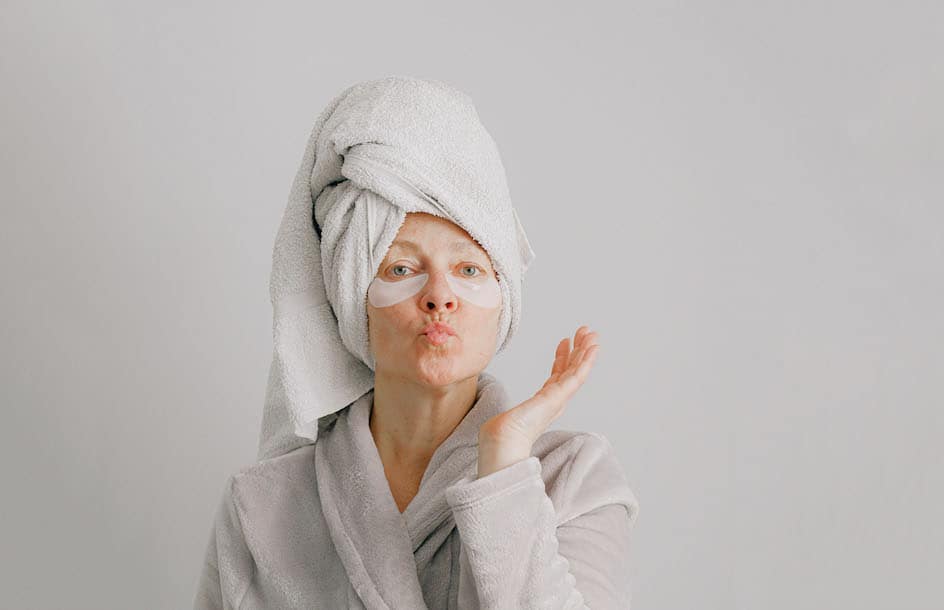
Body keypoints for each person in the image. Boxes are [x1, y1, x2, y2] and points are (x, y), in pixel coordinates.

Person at [194, 76, 640, 609]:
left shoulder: (573, 476)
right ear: (352, 295)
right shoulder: (262, 505)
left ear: (503, 297)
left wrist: (502, 466)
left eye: (469, 268)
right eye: (401, 267)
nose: (439, 296)